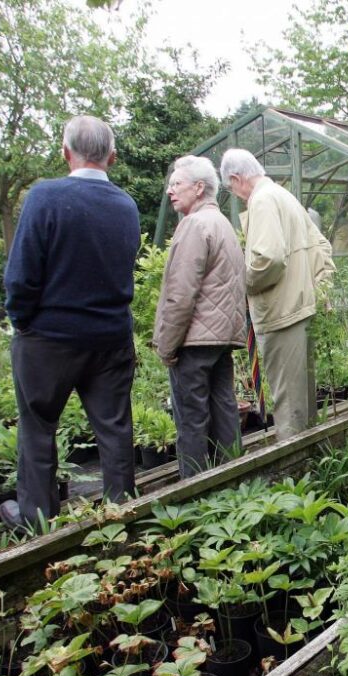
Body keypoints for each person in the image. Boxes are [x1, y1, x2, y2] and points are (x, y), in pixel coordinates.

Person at [2, 116, 141, 525]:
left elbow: (22, 273)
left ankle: (38, 522)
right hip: (111, 337)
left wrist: (21, 321)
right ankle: (121, 512)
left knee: (38, 427)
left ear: (65, 153)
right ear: (112, 158)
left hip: (50, 339)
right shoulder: (126, 206)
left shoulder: (45, 196)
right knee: (114, 428)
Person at [219, 148, 336, 440]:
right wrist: (317, 291)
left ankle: (294, 480)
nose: (235, 195)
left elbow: (267, 258)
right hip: (300, 308)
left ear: (236, 178)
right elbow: (321, 247)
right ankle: (313, 469)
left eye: (231, 188)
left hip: (282, 314)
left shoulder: (262, 200)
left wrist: (241, 284)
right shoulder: (284, 196)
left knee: (289, 408)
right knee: (304, 403)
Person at [153, 156, 247, 477]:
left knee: (191, 420)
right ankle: (234, 482)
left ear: (198, 187)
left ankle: (194, 494)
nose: (170, 191)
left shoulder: (194, 225)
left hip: (194, 341)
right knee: (224, 412)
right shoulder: (223, 224)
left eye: (176, 184)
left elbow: (180, 294)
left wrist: (166, 346)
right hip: (221, 337)